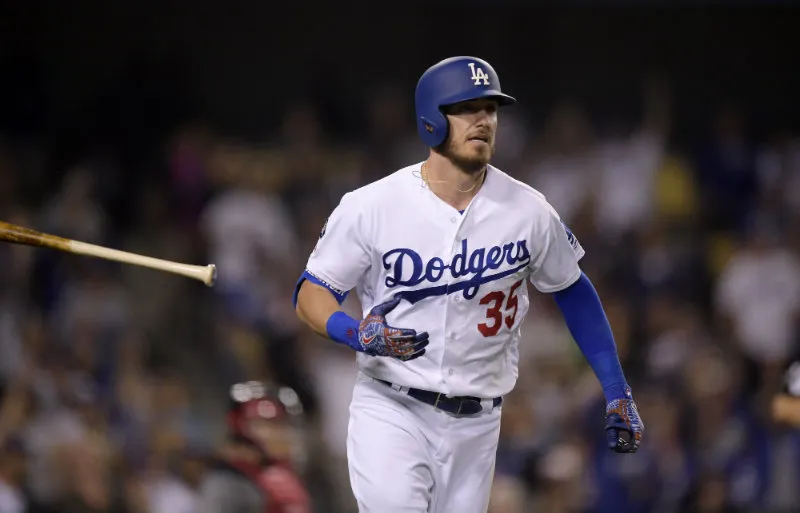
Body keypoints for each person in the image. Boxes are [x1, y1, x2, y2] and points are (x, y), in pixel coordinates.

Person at [293, 55, 643, 513]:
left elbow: (572, 289)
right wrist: (355, 332)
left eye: (491, 109)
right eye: (467, 108)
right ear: (432, 120)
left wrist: (617, 388)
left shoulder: (529, 210)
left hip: (478, 423)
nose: (483, 120)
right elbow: (311, 294)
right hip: (392, 407)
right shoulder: (371, 206)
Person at [198, 381, 311, 513]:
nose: (283, 434)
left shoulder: (276, 476)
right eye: (273, 424)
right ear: (243, 428)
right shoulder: (225, 484)